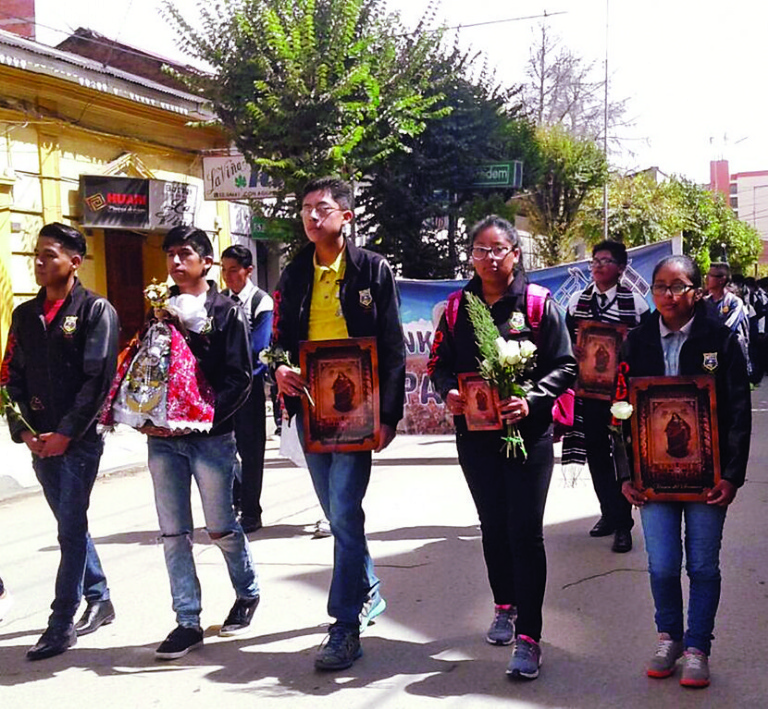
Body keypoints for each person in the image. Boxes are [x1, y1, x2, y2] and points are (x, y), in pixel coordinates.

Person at [428, 215, 576, 681]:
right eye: (480, 250)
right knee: (492, 525)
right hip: (476, 436)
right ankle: (504, 606)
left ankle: (530, 637)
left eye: (498, 250)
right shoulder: (457, 308)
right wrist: (449, 390)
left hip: (528, 435)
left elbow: (566, 365)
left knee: (525, 531)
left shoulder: (538, 304)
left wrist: (531, 399)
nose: (489, 258)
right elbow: (438, 363)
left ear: (515, 253)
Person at [272, 176, 405, 671]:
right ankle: (368, 588)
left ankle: (344, 624)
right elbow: (278, 342)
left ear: (346, 216)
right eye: (305, 207)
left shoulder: (371, 269)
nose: (311, 216)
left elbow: (392, 345)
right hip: (311, 410)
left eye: (322, 208)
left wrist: (388, 416)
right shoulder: (293, 274)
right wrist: (279, 368)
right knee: (337, 515)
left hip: (358, 411)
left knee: (345, 511)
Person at [619, 255, 751, 689]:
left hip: (707, 477)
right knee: (661, 565)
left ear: (696, 291)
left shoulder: (721, 341)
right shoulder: (636, 341)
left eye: (678, 287)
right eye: (660, 286)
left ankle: (697, 647)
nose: (668, 295)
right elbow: (618, 411)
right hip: (652, 477)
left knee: (703, 565)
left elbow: (738, 412)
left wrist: (731, 475)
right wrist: (626, 473)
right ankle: (669, 638)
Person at [1, 223, 119, 660]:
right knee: (72, 526)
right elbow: (10, 376)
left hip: (78, 442)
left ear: (74, 262)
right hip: (39, 441)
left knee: (69, 530)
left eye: (49, 255)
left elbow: (97, 380)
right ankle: (100, 597)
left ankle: (60, 622)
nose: (39, 262)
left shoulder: (96, 311)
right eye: (37, 253)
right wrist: (23, 430)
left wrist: (67, 432)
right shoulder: (24, 316)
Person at [144, 226, 260, 660]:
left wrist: (202, 417)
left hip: (210, 438)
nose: (176, 261)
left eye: (185, 254)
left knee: (220, 526)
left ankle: (247, 591)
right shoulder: (159, 309)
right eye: (170, 254)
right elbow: (148, 367)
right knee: (174, 533)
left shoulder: (227, 312)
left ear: (206, 262)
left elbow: (240, 378)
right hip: (163, 440)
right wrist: (143, 410)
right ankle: (187, 621)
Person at [564, 240, 650, 553]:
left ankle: (624, 524)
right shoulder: (577, 301)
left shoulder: (636, 304)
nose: (598, 266)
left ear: (621, 268)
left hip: (622, 393)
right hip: (589, 392)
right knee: (597, 454)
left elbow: (646, 348)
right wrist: (574, 350)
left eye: (606, 260)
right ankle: (608, 513)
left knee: (623, 455)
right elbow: (565, 340)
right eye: (595, 261)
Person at [221, 244, 273, 533]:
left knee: (251, 451)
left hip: (248, 386)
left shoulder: (260, 302)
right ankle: (234, 501)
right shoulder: (221, 301)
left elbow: (259, 348)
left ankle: (252, 511)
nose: (228, 276)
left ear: (248, 270)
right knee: (223, 449)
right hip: (223, 387)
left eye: (233, 270)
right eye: (224, 270)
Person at [704, 262, 751, 376]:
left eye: (710, 275)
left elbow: (728, 328)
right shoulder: (704, 302)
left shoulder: (735, 302)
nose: (706, 278)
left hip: (731, 356)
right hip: (709, 356)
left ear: (722, 280)